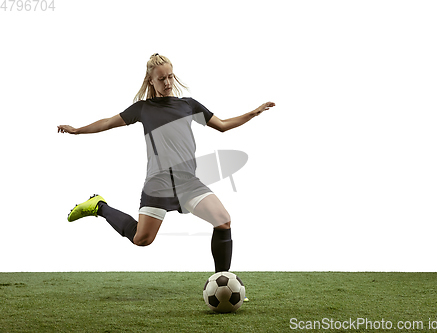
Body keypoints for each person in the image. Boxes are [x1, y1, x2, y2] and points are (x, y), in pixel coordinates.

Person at [57, 53, 275, 275]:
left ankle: (223, 282)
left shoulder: (188, 105)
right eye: (161, 79)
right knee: (141, 239)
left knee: (223, 221)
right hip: (159, 181)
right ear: (151, 80)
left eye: (170, 77)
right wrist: (77, 130)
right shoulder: (143, 109)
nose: (168, 83)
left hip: (188, 181)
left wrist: (254, 113)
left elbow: (223, 125)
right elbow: (107, 123)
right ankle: (99, 206)